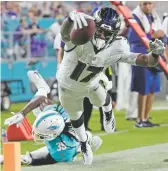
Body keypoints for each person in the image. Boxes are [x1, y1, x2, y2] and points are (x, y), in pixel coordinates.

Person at [56, 6, 164, 165]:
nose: (101, 35)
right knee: (76, 119)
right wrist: (70, 19)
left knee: (102, 100)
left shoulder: (117, 47)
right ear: (93, 27)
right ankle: (85, 144)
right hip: (67, 86)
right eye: (99, 30)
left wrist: (155, 54)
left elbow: (147, 61)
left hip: (90, 83)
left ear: (114, 35)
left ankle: (107, 111)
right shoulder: (80, 36)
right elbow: (64, 34)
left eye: (106, 33)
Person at [3, 70, 102, 165]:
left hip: (68, 147)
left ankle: (89, 147)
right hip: (67, 128)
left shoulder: (63, 150)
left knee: (27, 159)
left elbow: (51, 157)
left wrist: (30, 159)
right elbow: (42, 99)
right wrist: (22, 113)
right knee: (40, 105)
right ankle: (43, 89)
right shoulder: (61, 113)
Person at [127, 2, 165, 128]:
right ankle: (139, 119)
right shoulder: (135, 17)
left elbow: (162, 35)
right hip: (141, 55)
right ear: (140, 4)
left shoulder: (154, 16)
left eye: (150, 3)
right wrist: (153, 35)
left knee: (152, 88)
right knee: (143, 89)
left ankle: (146, 118)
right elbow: (133, 38)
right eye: (145, 3)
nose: (148, 6)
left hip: (154, 54)